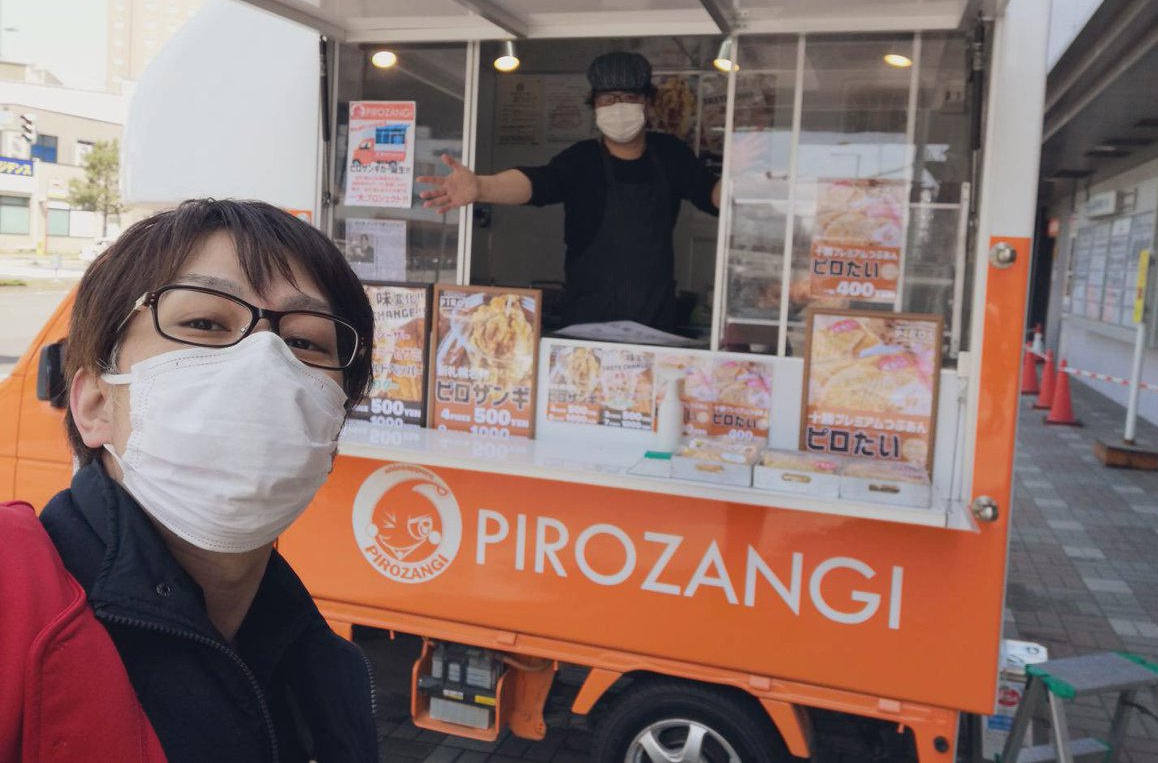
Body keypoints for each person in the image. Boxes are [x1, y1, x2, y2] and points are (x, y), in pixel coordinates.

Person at [15, 199, 379, 762]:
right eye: (204, 323)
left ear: (331, 432)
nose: (264, 361)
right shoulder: (16, 600)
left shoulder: (330, 677)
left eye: (306, 342)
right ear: (93, 403)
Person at [418, 51, 722, 332]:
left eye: (629, 97)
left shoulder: (670, 154)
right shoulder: (582, 159)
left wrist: (741, 178)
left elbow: (712, 195)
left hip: (653, 317)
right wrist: (483, 187)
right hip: (588, 317)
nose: (618, 107)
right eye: (607, 99)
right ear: (595, 105)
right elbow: (537, 183)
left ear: (647, 102)